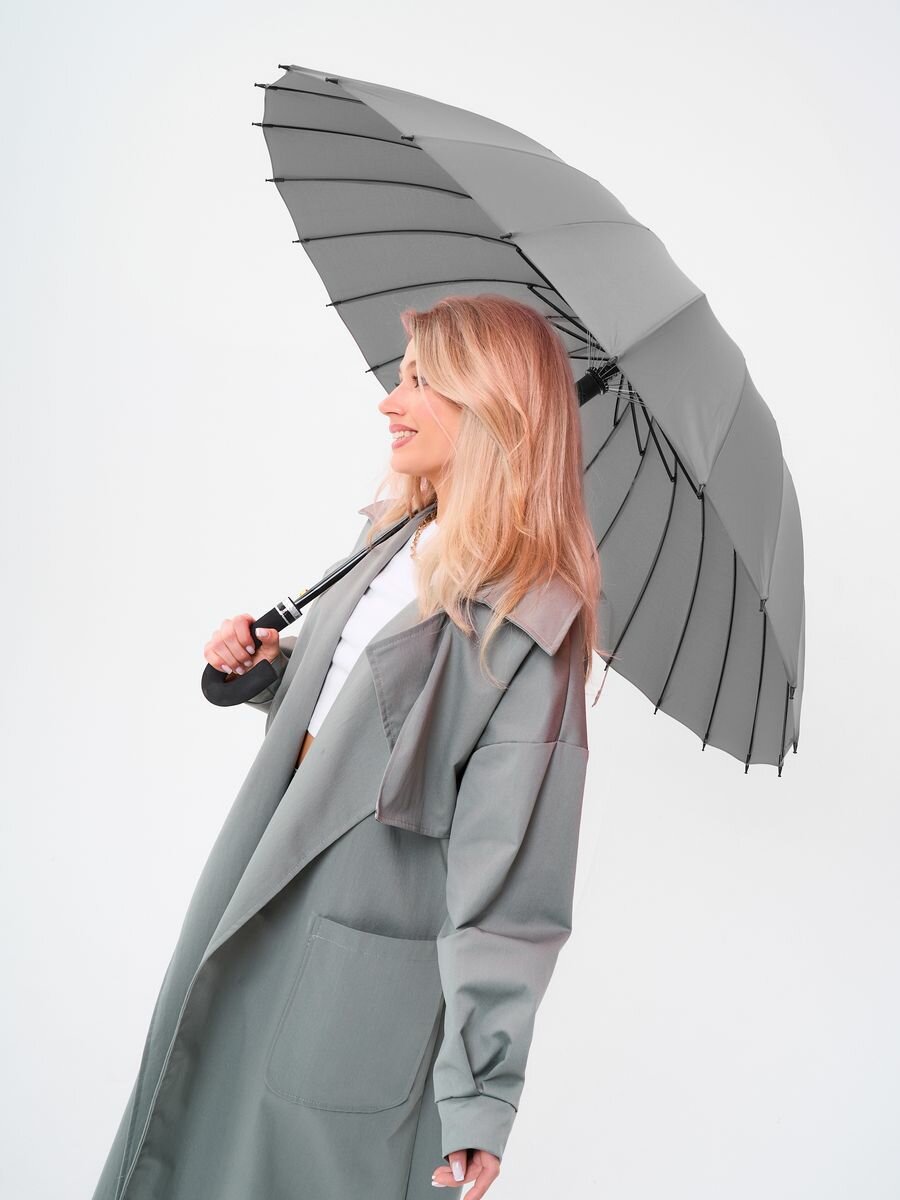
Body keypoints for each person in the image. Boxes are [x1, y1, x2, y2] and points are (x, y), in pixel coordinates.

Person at [90, 293, 603, 1200]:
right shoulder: (390, 538)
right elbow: (360, 717)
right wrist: (270, 667)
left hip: (359, 966)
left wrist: (480, 1094)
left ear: (490, 406)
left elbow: (512, 883)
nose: (388, 401)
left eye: (420, 382)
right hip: (262, 883)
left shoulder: (533, 621)